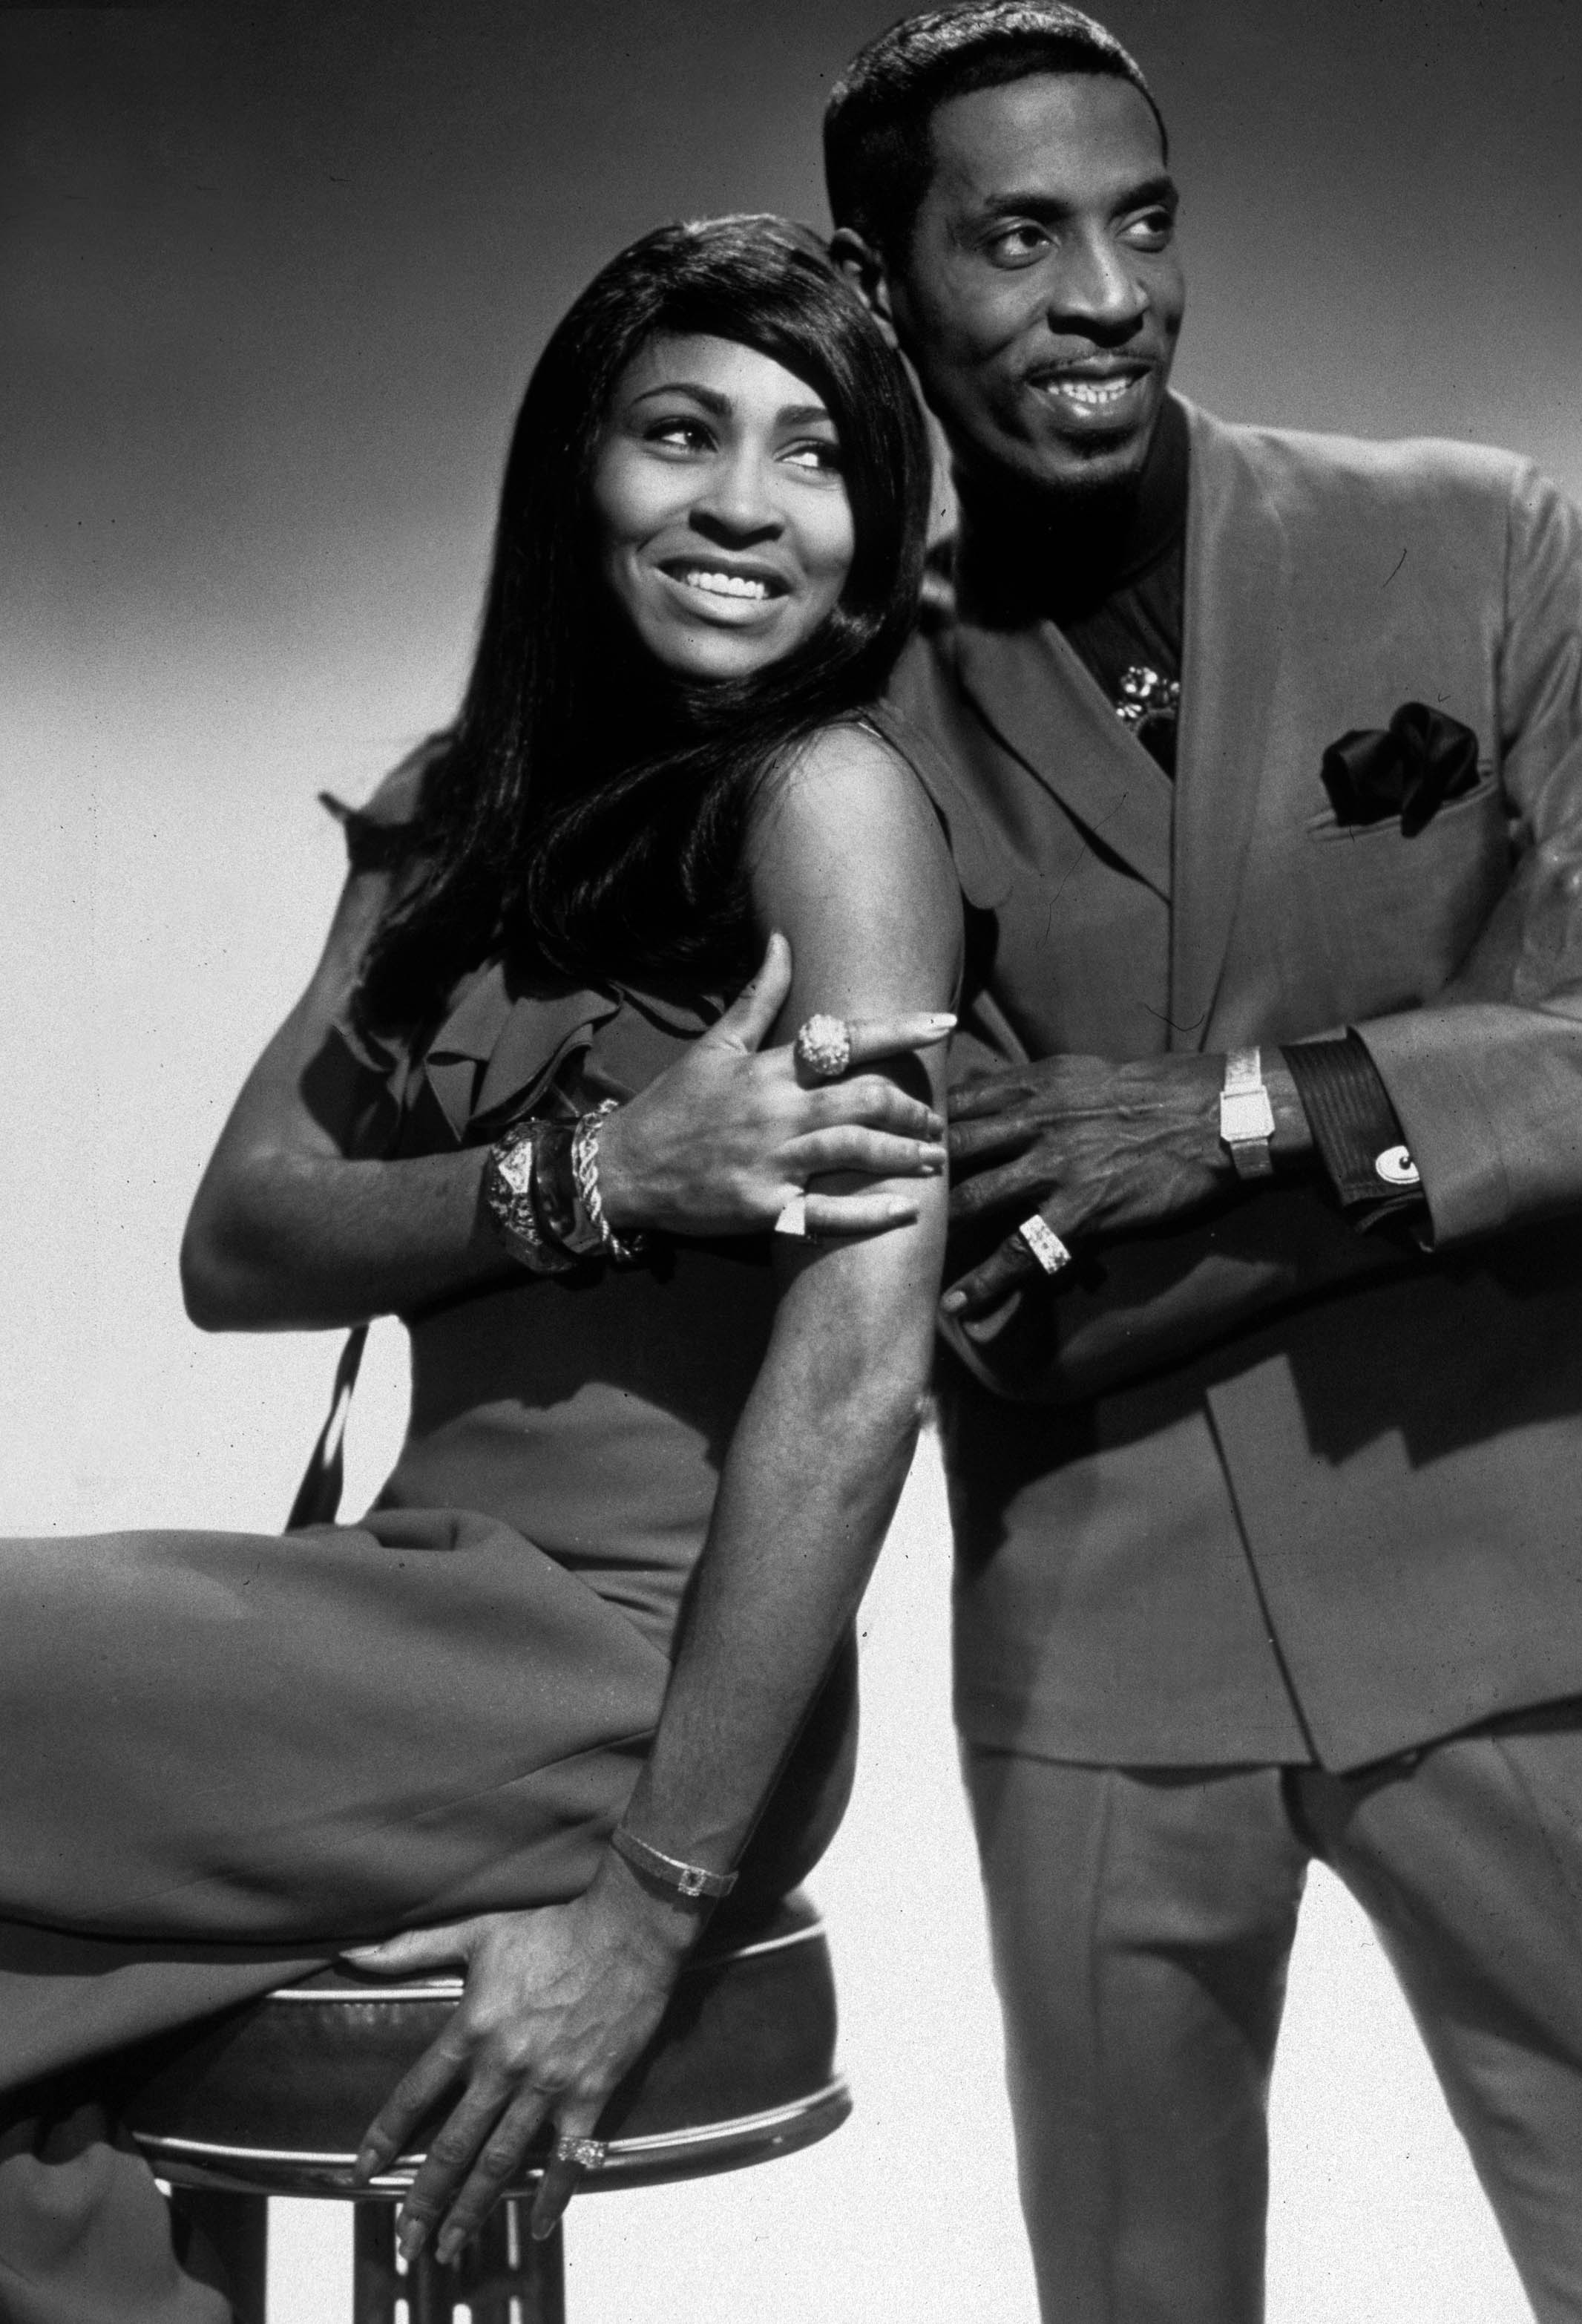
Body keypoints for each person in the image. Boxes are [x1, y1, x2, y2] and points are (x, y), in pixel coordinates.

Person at [819, 8, 1582, 2321]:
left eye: (1144, 221)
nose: (1108, 292)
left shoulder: (1475, 541)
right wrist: (1502, 1044)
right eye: (1019, 236)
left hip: (1511, 1589)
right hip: (1095, 1657)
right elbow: (998, 1298)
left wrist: (1244, 1113)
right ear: (881, 289)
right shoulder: (845, 726)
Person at [0, 215, 963, 2322]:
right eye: (680, 432)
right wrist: (595, 1170)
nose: (739, 504)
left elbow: (865, 1373)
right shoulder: (464, 814)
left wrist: (646, 1904)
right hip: (408, 1609)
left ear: (879, 535)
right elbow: (239, 1233)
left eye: (813, 457)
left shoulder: (831, 808)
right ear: (574, 476)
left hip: (642, 1672)